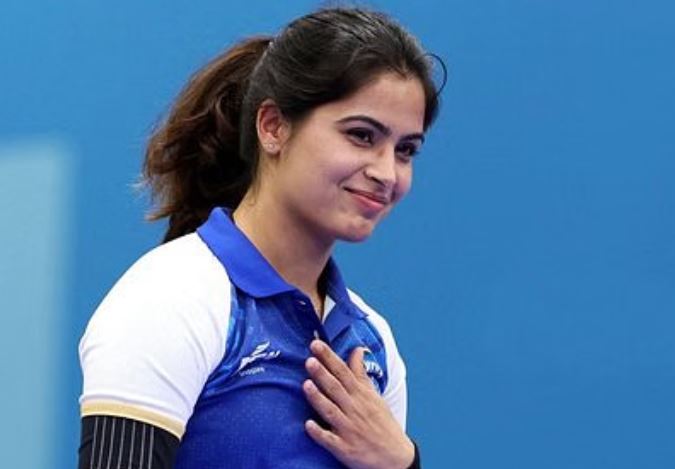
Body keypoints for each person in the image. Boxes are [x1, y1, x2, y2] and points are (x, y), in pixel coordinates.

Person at [77, 6, 442, 469]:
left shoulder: (374, 342)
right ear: (273, 127)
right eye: (361, 135)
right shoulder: (170, 298)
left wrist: (402, 463)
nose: (387, 172)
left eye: (406, 150)